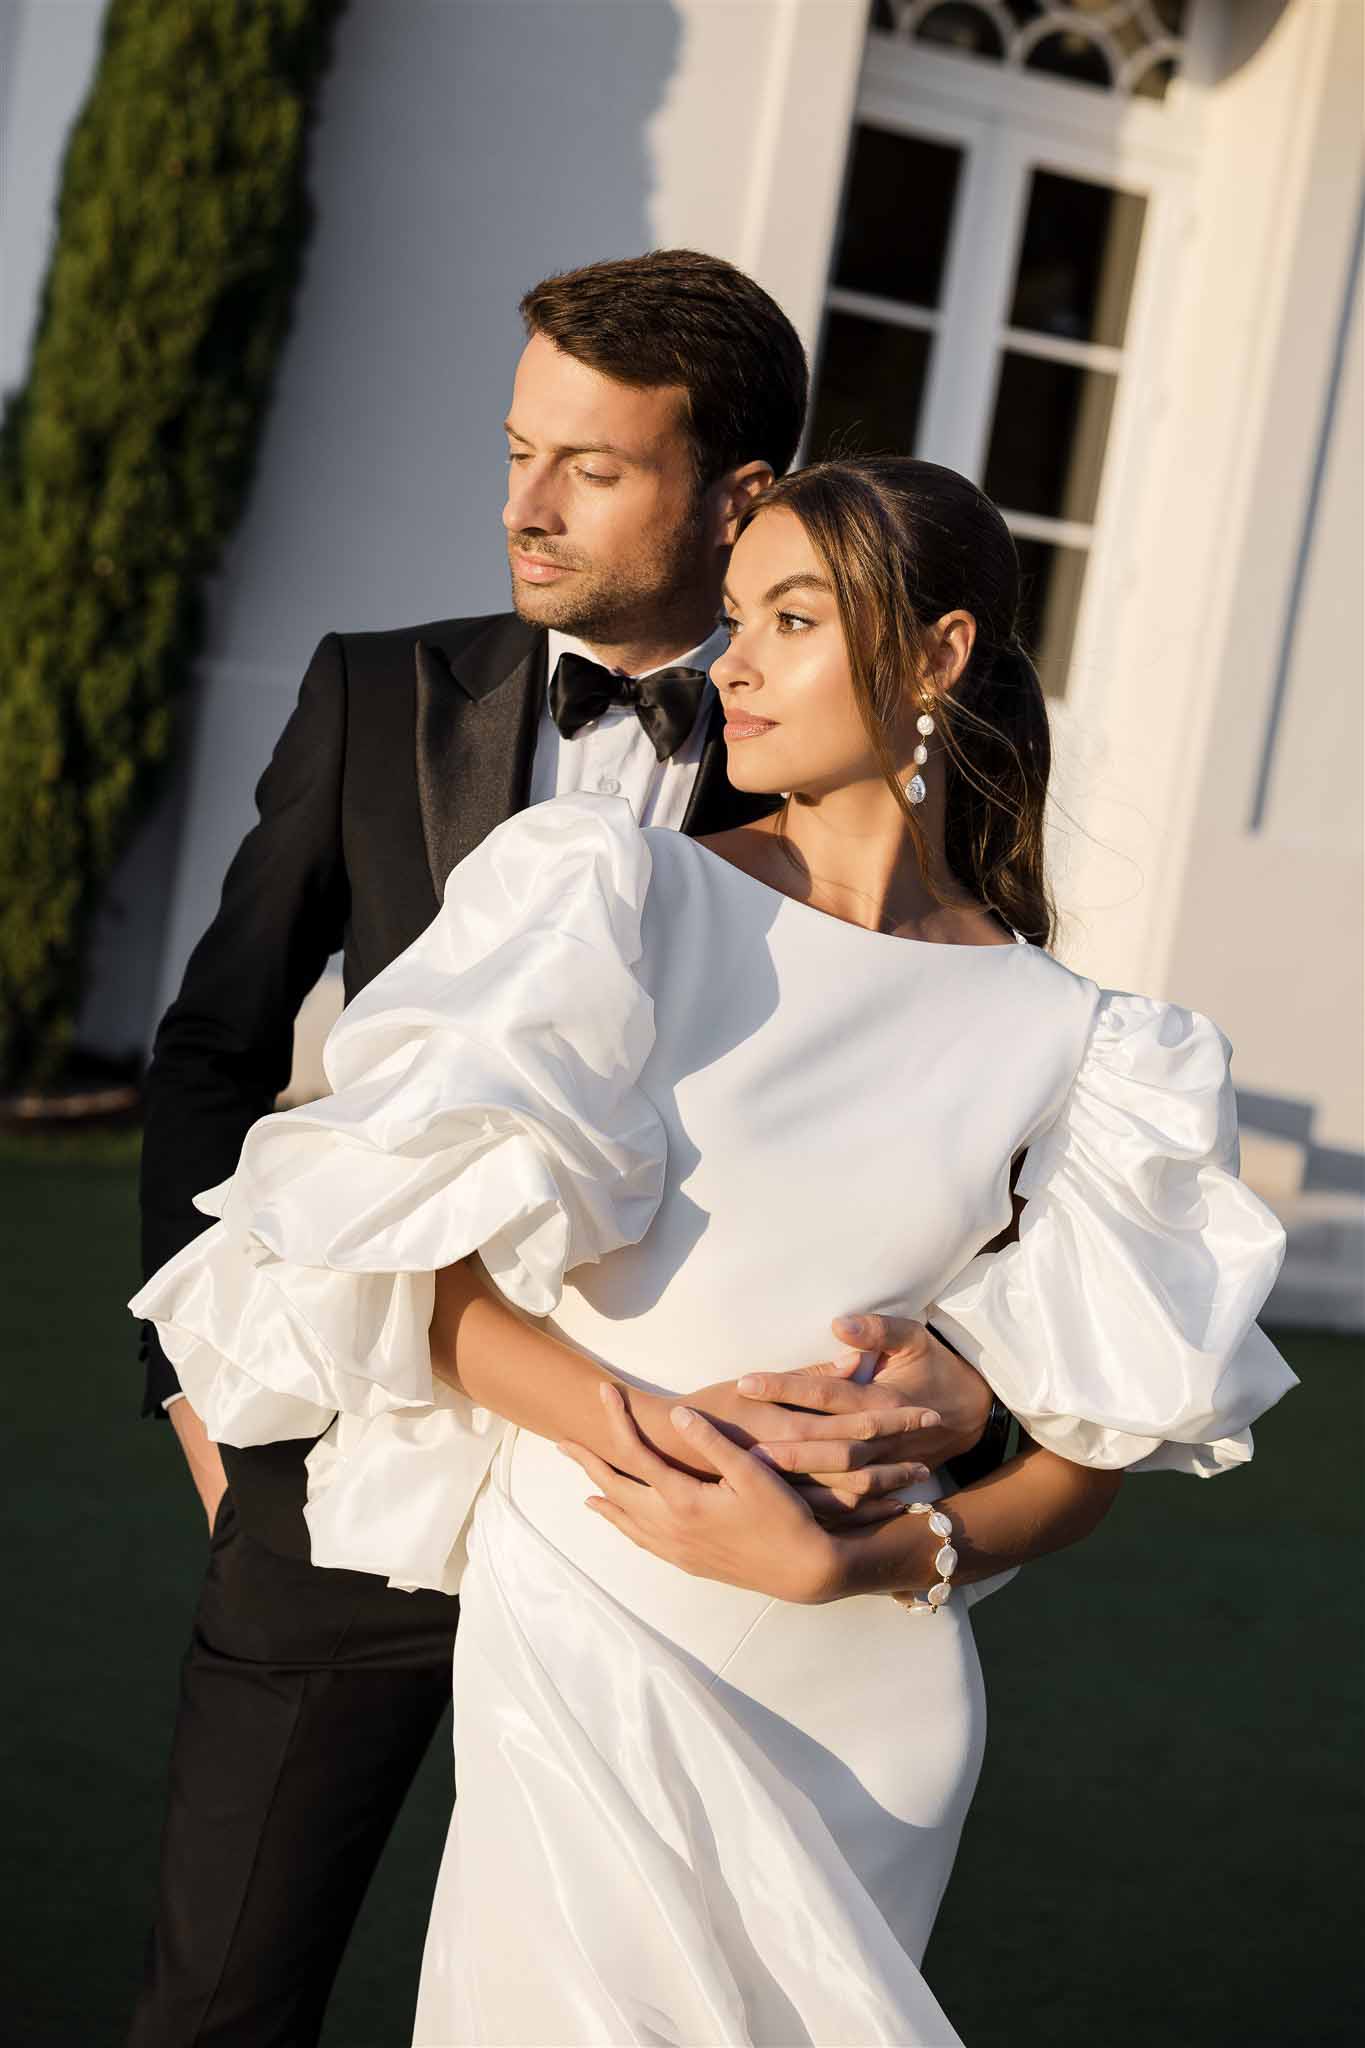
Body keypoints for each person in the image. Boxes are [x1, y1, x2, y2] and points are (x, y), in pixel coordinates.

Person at [133, 453, 1297, 2046]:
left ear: (938, 654)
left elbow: (1089, 1451)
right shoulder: (607, 894)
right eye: (736, 615)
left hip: (868, 1696)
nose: (732, 663)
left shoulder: (1092, 1046)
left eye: (790, 619)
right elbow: (417, 1288)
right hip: (596, 1620)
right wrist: (660, 1442)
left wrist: (876, 1556)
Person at [129, 253, 1012, 2047]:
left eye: (592, 469)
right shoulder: (376, 694)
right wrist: (195, 1393)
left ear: (737, 494)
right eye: (517, 449)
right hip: (357, 1463)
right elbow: (217, 1042)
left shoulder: (823, 759)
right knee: (222, 2001)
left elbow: (936, 1130)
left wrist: (956, 1396)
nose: (525, 508)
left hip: (674, 1538)